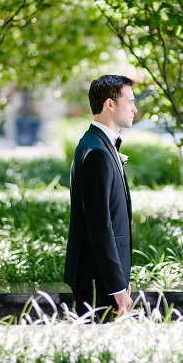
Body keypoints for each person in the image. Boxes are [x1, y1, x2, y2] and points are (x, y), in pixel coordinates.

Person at [64, 75, 137, 320]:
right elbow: (99, 227)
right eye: (130, 102)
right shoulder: (96, 152)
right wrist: (116, 286)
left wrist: (121, 279)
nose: (135, 109)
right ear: (110, 104)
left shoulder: (99, 144)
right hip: (97, 280)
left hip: (103, 277)